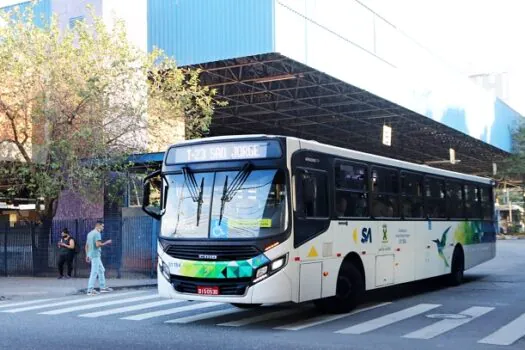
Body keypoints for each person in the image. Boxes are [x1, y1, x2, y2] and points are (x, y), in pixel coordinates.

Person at [85, 221, 113, 296]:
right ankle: (90, 290)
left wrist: (87, 255)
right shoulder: (97, 233)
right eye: (102, 226)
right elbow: (98, 245)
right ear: (98, 226)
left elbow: (87, 245)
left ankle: (102, 287)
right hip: (95, 255)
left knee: (101, 270)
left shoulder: (90, 233)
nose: (103, 228)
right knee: (94, 272)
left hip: (91, 254)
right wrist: (106, 242)